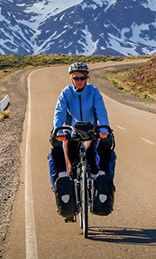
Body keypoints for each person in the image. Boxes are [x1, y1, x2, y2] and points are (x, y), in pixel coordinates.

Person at [48, 61, 116, 221]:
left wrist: (104, 129)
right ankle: (72, 198)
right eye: (75, 78)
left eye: (82, 77)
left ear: (87, 78)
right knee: (69, 161)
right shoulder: (66, 93)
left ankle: (93, 180)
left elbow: (101, 111)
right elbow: (59, 112)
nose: (79, 80)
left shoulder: (94, 92)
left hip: (91, 130)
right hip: (72, 131)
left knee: (91, 153)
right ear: (71, 79)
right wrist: (59, 129)